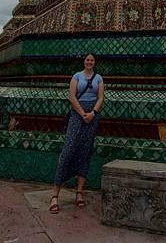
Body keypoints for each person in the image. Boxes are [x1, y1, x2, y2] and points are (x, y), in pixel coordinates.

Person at [49, 52, 104, 213]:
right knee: (68, 151)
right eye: (87, 59)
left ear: (94, 62)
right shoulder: (77, 76)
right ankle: (55, 195)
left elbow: (101, 97)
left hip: (92, 116)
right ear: (84, 61)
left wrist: (93, 113)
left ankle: (79, 192)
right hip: (77, 114)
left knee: (85, 152)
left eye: (92, 60)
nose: (89, 62)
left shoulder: (99, 78)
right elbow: (72, 97)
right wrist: (82, 114)